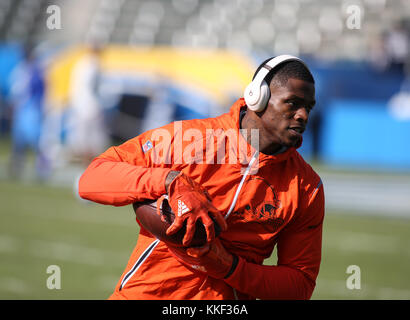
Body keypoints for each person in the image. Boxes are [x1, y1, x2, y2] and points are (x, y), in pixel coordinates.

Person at [78, 55, 325, 300]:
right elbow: (92, 178)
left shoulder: (306, 186)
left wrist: (229, 267)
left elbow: (299, 286)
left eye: (308, 107)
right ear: (256, 97)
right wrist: (170, 181)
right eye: (292, 103)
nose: (303, 115)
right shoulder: (188, 139)